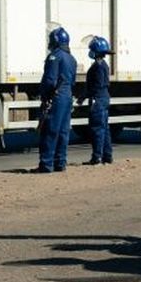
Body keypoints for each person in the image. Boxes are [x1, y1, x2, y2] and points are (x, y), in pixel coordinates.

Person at [36, 26, 77, 173]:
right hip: (67, 96)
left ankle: (46, 164)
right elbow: (72, 81)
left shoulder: (55, 56)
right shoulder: (72, 59)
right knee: (63, 132)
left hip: (56, 96)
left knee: (50, 130)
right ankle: (61, 163)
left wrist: (45, 96)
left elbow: (50, 80)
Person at [81, 36, 113, 166]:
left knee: (97, 129)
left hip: (98, 99)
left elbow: (97, 85)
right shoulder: (103, 65)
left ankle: (97, 158)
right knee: (104, 129)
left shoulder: (98, 66)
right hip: (103, 98)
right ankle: (107, 157)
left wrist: (86, 95)